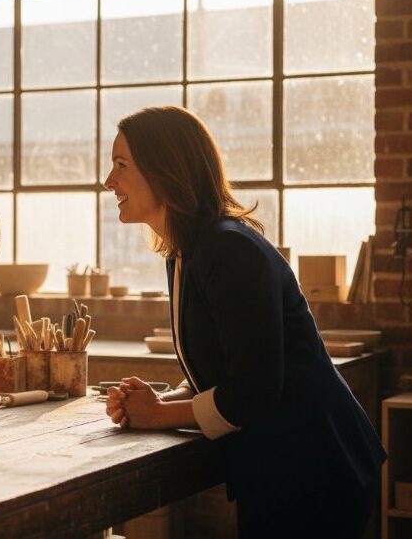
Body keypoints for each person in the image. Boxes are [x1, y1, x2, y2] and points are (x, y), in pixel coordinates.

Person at [102, 106, 386, 538]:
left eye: (121, 165)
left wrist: (158, 414)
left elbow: (255, 391)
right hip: (282, 466)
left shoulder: (228, 248)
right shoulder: (185, 251)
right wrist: (159, 400)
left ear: (166, 169)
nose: (109, 181)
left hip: (315, 467)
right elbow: (225, 370)